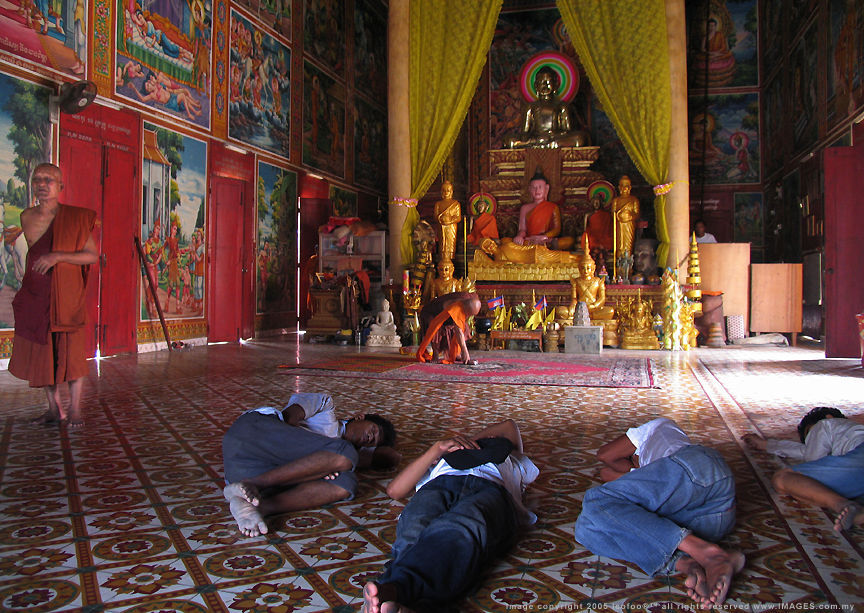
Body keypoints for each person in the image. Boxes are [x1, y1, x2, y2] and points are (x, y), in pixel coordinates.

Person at [361, 419, 539, 613]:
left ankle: (392, 590)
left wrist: (475, 442)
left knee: (460, 526)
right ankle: (405, 604)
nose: (490, 437)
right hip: (440, 484)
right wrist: (438, 449)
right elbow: (395, 490)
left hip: (491, 488)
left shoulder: (513, 459)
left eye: (493, 438)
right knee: (414, 525)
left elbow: (509, 427)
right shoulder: (442, 460)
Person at [574, 417, 744, 610]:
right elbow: (609, 476)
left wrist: (632, 469)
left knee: (596, 501)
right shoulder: (650, 477)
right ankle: (687, 563)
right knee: (585, 530)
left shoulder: (658, 427)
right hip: (711, 523)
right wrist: (634, 471)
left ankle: (707, 554)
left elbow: (605, 456)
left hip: (700, 471)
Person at [222, 393, 400, 537]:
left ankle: (256, 506)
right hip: (254, 434)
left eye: (373, 442)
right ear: (360, 417)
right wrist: (319, 466)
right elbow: (288, 418)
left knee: (347, 482)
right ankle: (253, 485)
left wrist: (319, 466)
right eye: (373, 430)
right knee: (345, 452)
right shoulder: (326, 407)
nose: (370, 438)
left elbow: (391, 457)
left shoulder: (344, 455)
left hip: (242, 470)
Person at [9, 163, 99, 428]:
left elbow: (91, 255)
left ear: (60, 186)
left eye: (49, 180)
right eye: (37, 179)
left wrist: (57, 256)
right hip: (36, 295)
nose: (42, 184)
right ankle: (54, 408)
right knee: (43, 356)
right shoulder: (26, 217)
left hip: (66, 296)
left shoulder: (74, 218)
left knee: (71, 356)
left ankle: (75, 410)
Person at [743, 407, 864, 532]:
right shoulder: (850, 434)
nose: (811, 441)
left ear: (829, 417)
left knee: (782, 478)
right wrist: (767, 445)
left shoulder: (825, 424)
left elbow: (812, 456)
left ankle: (844, 505)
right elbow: (805, 450)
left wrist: (767, 445)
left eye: (810, 434)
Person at [503, 67, 589, 149]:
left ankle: (547, 144)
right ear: (536, 86)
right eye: (541, 82)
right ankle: (546, 145)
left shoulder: (562, 106)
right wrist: (535, 138)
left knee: (580, 139)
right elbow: (525, 133)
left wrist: (551, 137)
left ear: (556, 85)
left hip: (554, 138)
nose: (545, 85)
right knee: (509, 140)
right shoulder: (530, 106)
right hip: (536, 139)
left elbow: (567, 131)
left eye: (548, 82)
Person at [513, 169, 573, 250]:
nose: (537, 190)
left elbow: (557, 229)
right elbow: (522, 229)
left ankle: (541, 247)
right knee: (506, 241)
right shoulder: (525, 208)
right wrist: (519, 236)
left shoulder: (553, 207)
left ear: (546, 188)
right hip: (530, 240)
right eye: (534, 188)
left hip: (546, 241)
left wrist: (543, 237)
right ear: (529, 189)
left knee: (569, 241)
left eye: (540, 187)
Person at [416, 291, 481, 364]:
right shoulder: (456, 307)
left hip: (449, 315)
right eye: (468, 314)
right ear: (465, 308)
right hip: (432, 313)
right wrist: (465, 351)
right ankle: (435, 354)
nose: (469, 316)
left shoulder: (471, 297)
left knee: (465, 327)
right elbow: (458, 331)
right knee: (435, 329)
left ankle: (456, 353)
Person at [610, 176, 639, 257]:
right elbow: (613, 214)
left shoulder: (633, 200)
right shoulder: (616, 200)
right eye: (622, 186)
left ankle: (628, 266)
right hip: (619, 226)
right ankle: (619, 265)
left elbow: (637, 214)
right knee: (619, 245)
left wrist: (629, 217)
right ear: (619, 187)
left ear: (630, 187)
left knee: (628, 246)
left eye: (626, 186)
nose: (624, 188)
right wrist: (619, 215)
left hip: (629, 226)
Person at [433, 181, 461, 264]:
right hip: (441, 227)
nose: (446, 192)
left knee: (450, 245)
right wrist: (441, 219)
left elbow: (458, 217)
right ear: (441, 192)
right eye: (444, 190)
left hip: (451, 227)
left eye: (448, 190)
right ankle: (442, 260)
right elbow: (435, 216)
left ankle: (450, 262)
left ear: (451, 192)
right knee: (442, 244)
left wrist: (450, 220)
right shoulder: (438, 204)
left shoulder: (455, 204)